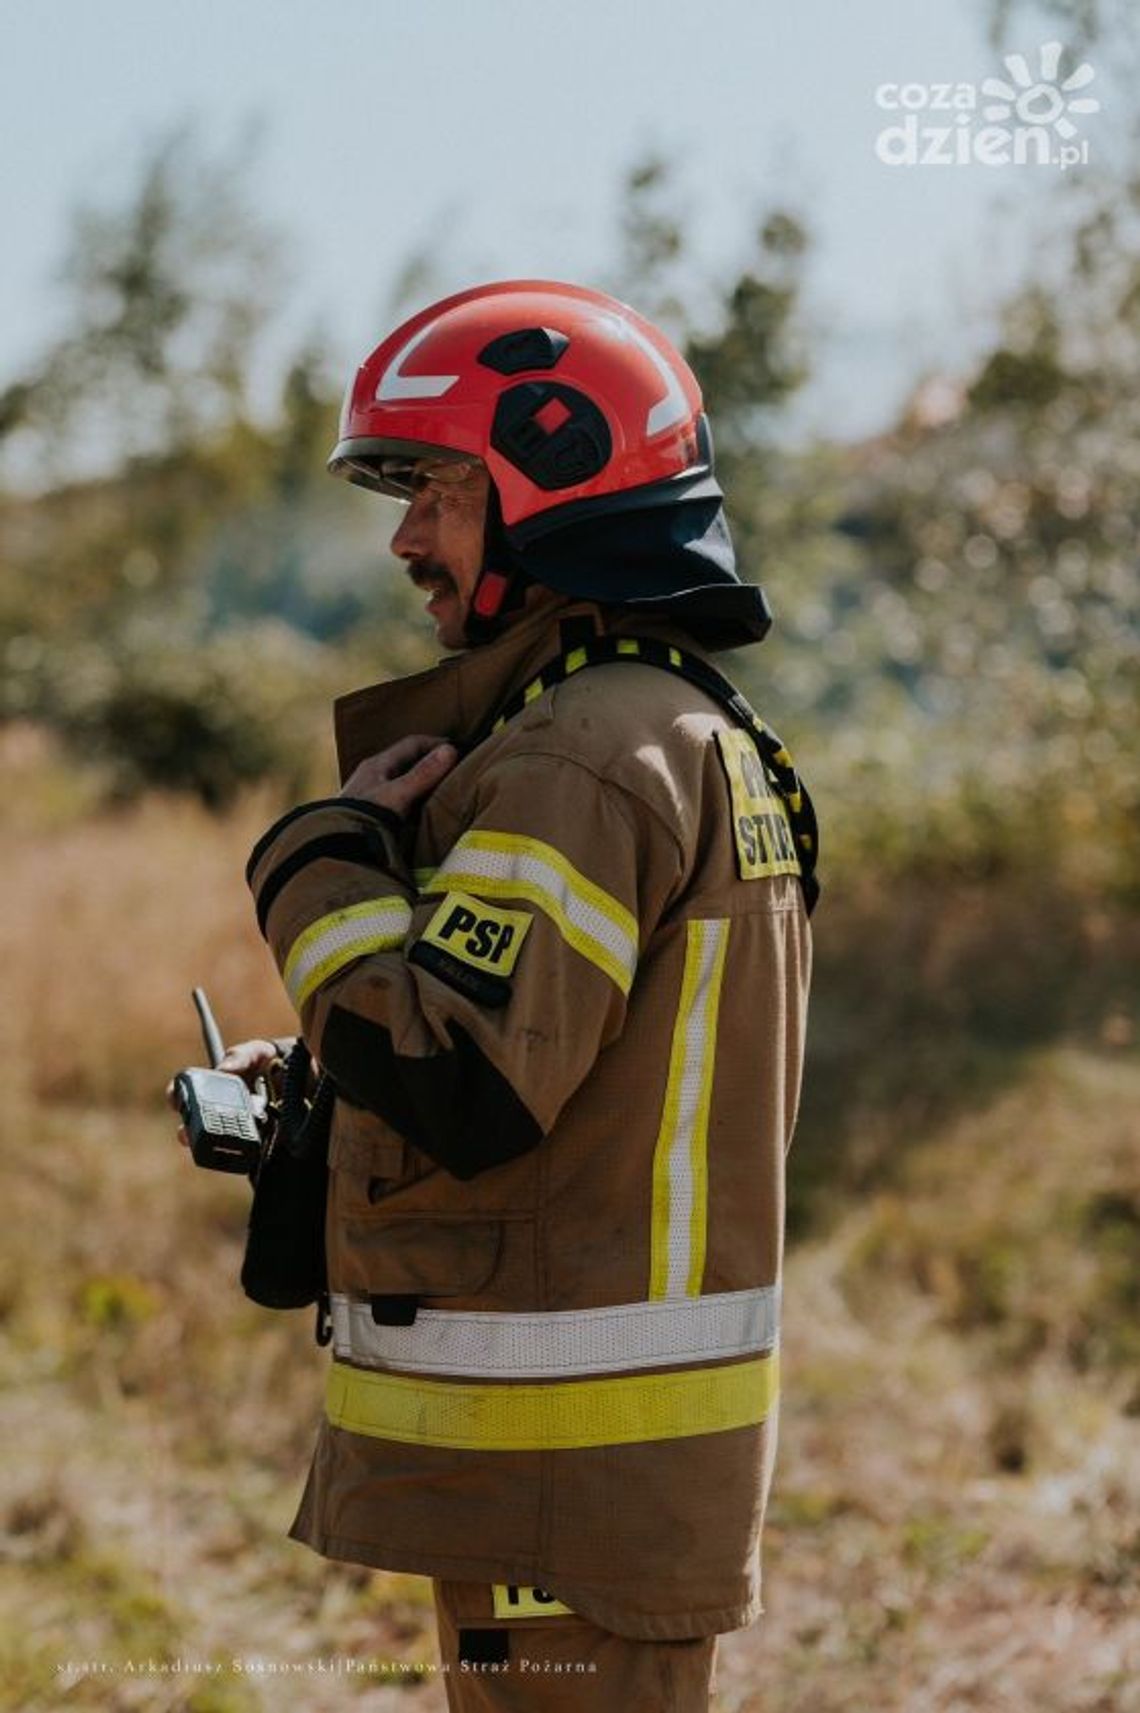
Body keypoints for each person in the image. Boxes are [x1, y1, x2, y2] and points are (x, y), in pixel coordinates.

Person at [195, 281, 817, 1711]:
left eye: (440, 493)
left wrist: (319, 863)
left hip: (564, 1472)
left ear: (552, 494)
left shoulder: (576, 761)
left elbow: (460, 1077)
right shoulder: (685, 730)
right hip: (591, 1468)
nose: (406, 537)